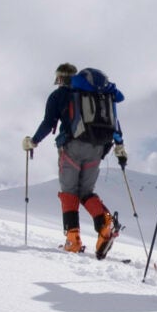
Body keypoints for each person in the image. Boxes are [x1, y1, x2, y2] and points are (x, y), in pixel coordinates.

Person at [24, 63, 127, 257]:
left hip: (72, 147)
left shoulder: (59, 95)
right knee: (86, 192)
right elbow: (114, 122)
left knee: (69, 192)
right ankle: (104, 224)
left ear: (59, 78)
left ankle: (73, 239)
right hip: (98, 148)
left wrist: (33, 141)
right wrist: (120, 147)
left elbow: (48, 123)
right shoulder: (98, 95)